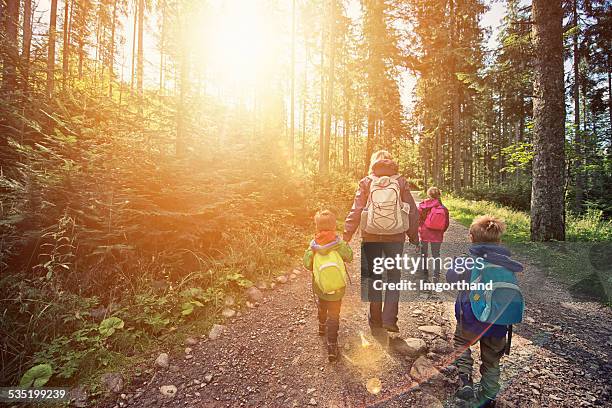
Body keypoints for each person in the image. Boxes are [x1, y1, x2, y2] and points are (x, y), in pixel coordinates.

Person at [446, 216, 524, 408]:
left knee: (462, 344)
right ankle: (488, 393)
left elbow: (451, 279)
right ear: (499, 241)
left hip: (470, 318)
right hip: (499, 321)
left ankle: (465, 382)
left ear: (471, 238)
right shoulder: (507, 264)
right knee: (492, 358)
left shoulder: (466, 261)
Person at [343, 150, 418, 333]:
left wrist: (346, 235)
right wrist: (414, 236)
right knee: (393, 277)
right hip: (396, 236)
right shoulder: (400, 182)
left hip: (370, 235)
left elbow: (357, 209)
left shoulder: (366, 182)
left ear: (373, 164)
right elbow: (412, 210)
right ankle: (389, 319)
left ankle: (375, 320)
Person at [303, 210, 353, 362]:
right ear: (334, 225)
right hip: (337, 288)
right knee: (334, 314)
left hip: (321, 286)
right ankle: (332, 345)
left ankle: (321, 325)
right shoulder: (339, 244)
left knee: (322, 304)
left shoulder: (313, 246)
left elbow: (307, 265)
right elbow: (349, 257)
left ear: (317, 227)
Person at [417, 186, 450, 284]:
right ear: (439, 195)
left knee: (424, 254)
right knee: (436, 255)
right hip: (437, 235)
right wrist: (441, 231)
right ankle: (436, 275)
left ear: (428, 194)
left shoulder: (423, 205)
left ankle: (425, 273)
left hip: (424, 233)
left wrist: (420, 229)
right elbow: (446, 224)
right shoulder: (443, 208)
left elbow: (417, 219)